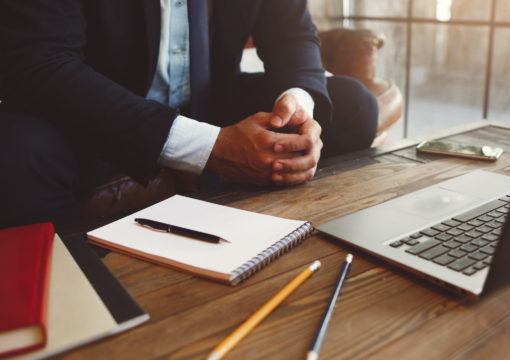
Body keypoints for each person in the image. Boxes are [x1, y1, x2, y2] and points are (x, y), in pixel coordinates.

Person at [0, 0, 378, 228]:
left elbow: (293, 34)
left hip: (209, 99)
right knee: (16, 156)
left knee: (354, 107)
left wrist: (297, 109)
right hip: (101, 115)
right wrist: (211, 148)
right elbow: (42, 63)